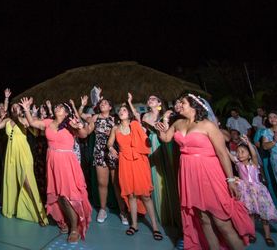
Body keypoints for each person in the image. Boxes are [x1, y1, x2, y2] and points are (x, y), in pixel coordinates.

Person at [156, 93, 253, 250]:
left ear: (194, 106)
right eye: (178, 103)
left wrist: (230, 180)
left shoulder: (208, 125)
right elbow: (166, 138)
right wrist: (163, 124)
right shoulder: (179, 123)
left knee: (221, 221)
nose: (178, 105)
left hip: (209, 173)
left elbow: (222, 153)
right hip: (188, 173)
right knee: (203, 219)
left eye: (182, 103)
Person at [20, 97, 92, 244]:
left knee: (67, 196)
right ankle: (65, 220)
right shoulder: (48, 122)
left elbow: (84, 134)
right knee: (58, 195)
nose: (57, 108)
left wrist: (78, 126)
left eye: (60, 107)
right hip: (52, 160)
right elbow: (33, 123)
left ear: (66, 112)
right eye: (56, 106)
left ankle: (74, 228)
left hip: (66, 162)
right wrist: (27, 109)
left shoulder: (70, 124)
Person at [107, 97, 162, 240]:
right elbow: (109, 143)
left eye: (124, 110)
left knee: (145, 195)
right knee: (130, 194)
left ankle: (155, 227)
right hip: (124, 161)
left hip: (139, 161)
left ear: (129, 114)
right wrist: (111, 148)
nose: (121, 112)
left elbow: (145, 140)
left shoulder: (135, 125)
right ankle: (134, 225)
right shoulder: (115, 128)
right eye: (120, 111)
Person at [0, 91, 48, 226]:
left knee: (28, 182)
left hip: (23, 153)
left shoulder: (23, 120)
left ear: (21, 110)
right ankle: (14, 209)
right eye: (13, 107)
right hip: (11, 154)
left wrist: (25, 111)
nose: (15, 109)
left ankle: (40, 214)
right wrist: (2, 117)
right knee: (12, 181)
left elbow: (29, 125)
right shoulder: (6, 120)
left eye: (18, 107)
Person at [81, 89, 128, 225]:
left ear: (110, 107)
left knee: (116, 183)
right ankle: (102, 209)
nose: (103, 104)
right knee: (102, 183)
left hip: (113, 152)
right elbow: (86, 130)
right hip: (99, 152)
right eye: (101, 103)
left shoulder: (115, 118)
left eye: (105, 103)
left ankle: (123, 211)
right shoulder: (95, 118)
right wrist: (80, 124)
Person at [140, 94, 181, 229]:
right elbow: (144, 131)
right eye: (149, 98)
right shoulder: (145, 116)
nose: (149, 100)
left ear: (159, 102)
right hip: (152, 142)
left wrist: (164, 118)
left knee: (169, 175)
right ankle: (163, 214)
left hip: (166, 142)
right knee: (156, 176)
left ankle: (176, 214)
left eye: (153, 99)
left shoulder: (167, 113)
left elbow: (169, 131)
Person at [234, 136, 277, 247]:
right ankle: (252, 234)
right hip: (247, 192)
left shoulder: (253, 163)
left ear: (249, 154)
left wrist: (248, 142)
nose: (239, 154)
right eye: (238, 152)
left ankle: (267, 236)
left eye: (242, 152)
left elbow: (254, 154)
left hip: (259, 192)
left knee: (264, 215)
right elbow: (227, 154)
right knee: (251, 214)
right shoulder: (238, 164)